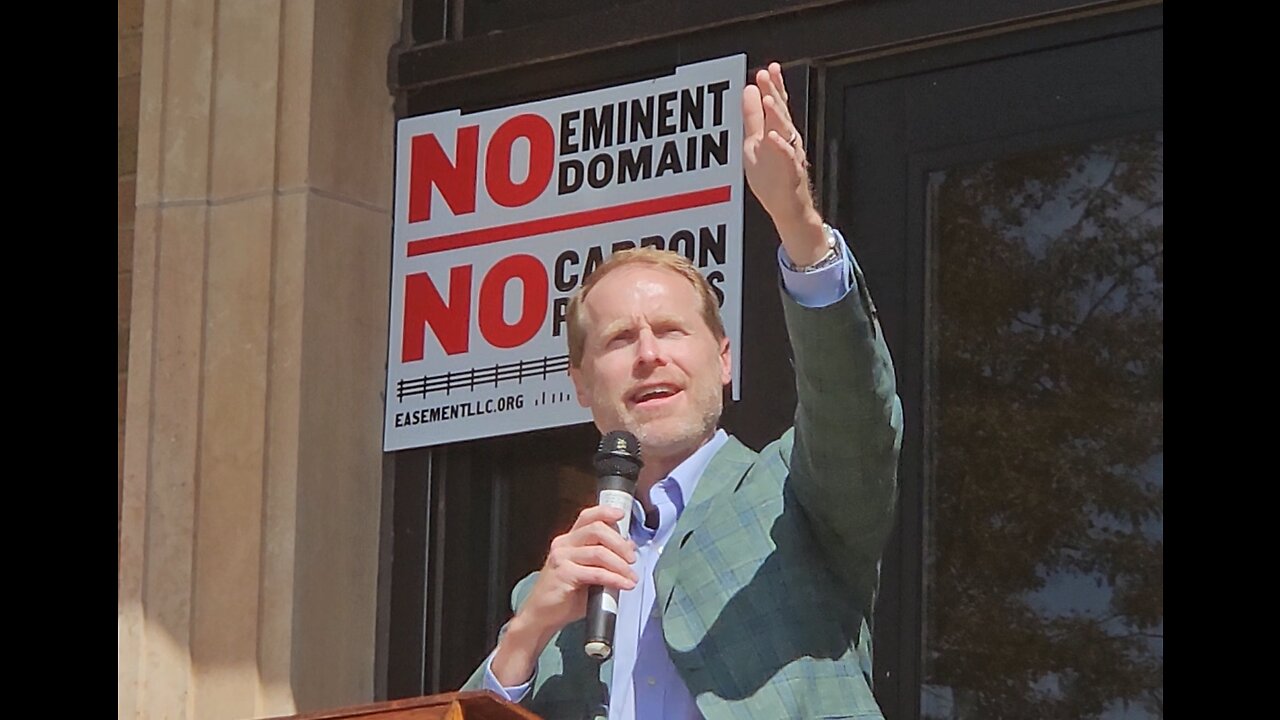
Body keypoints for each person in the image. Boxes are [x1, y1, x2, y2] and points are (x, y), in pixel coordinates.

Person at [462, 62, 903, 719]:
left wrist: (797, 224)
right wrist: (525, 636)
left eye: (670, 331)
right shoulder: (559, 585)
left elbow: (851, 404)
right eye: (618, 340)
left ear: (723, 360)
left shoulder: (793, 495)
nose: (648, 355)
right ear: (581, 386)